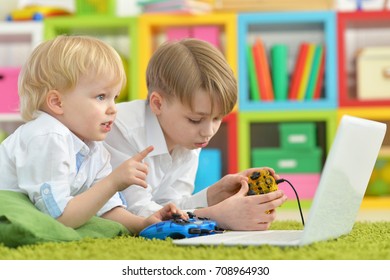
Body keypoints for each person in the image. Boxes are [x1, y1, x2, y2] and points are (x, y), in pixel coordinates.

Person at [0, 35, 186, 235]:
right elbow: (59, 218)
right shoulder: (47, 136)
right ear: (57, 102)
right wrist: (114, 181)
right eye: (101, 97)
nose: (113, 109)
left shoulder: (93, 147)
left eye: (114, 97)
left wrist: (144, 223)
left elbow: (106, 207)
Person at [104, 38, 287, 231]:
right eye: (195, 120)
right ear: (158, 104)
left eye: (217, 118)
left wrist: (215, 194)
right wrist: (217, 215)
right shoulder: (120, 129)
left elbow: (170, 205)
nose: (208, 132)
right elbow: (138, 214)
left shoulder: (187, 138)